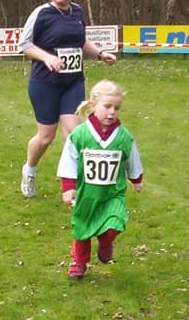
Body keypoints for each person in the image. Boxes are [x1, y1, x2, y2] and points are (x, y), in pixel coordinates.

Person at [18, 0, 117, 198]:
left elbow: (81, 42)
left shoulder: (77, 12)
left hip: (73, 82)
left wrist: (101, 54)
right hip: (45, 83)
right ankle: (29, 171)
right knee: (45, 138)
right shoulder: (41, 13)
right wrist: (47, 57)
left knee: (74, 134)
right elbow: (23, 45)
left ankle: (76, 187)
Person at [57, 80, 143, 279]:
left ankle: (106, 242)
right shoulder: (80, 134)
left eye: (117, 108)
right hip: (87, 194)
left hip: (112, 193)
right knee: (82, 227)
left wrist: (136, 178)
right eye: (107, 106)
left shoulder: (123, 136)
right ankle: (79, 262)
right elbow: (69, 160)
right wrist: (68, 187)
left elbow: (131, 157)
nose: (112, 112)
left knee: (114, 223)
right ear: (93, 104)